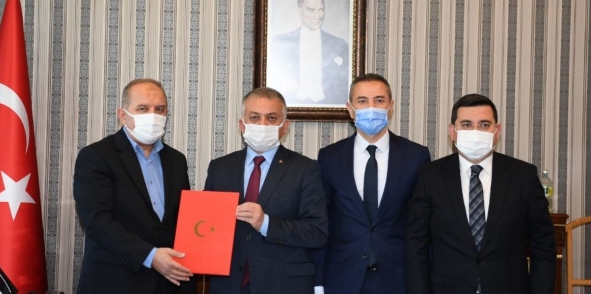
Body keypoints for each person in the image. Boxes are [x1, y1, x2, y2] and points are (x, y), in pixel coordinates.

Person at [406, 94, 556, 294]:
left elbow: (543, 246)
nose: (475, 132)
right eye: (466, 125)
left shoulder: (523, 176)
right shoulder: (430, 176)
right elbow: (416, 245)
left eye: (484, 125)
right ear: (452, 131)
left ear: (497, 131)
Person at [73, 78, 195, 294]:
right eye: (143, 109)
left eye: (159, 109)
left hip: (168, 283)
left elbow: (183, 218)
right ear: (123, 115)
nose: (153, 115)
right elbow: (97, 221)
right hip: (115, 281)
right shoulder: (96, 156)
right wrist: (151, 256)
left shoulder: (176, 160)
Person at [313, 73, 431, 294]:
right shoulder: (329, 157)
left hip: (398, 278)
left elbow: (422, 227)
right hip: (343, 277)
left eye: (379, 100)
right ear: (350, 109)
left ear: (391, 106)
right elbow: (323, 223)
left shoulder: (416, 156)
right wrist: (318, 282)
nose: (371, 107)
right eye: (362, 101)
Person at [204, 87, 328, 294]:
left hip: (283, 285)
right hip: (228, 284)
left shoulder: (306, 169)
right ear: (242, 125)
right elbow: (207, 224)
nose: (262, 125)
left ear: (284, 126)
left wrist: (266, 223)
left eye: (271, 118)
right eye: (254, 117)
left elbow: (317, 233)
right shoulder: (219, 168)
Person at [269, 0, 349, 105]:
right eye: (311, 10)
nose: (318, 16)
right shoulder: (280, 43)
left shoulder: (339, 44)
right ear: (299, 10)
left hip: (329, 106)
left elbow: (344, 85)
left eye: (321, 10)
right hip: (291, 106)